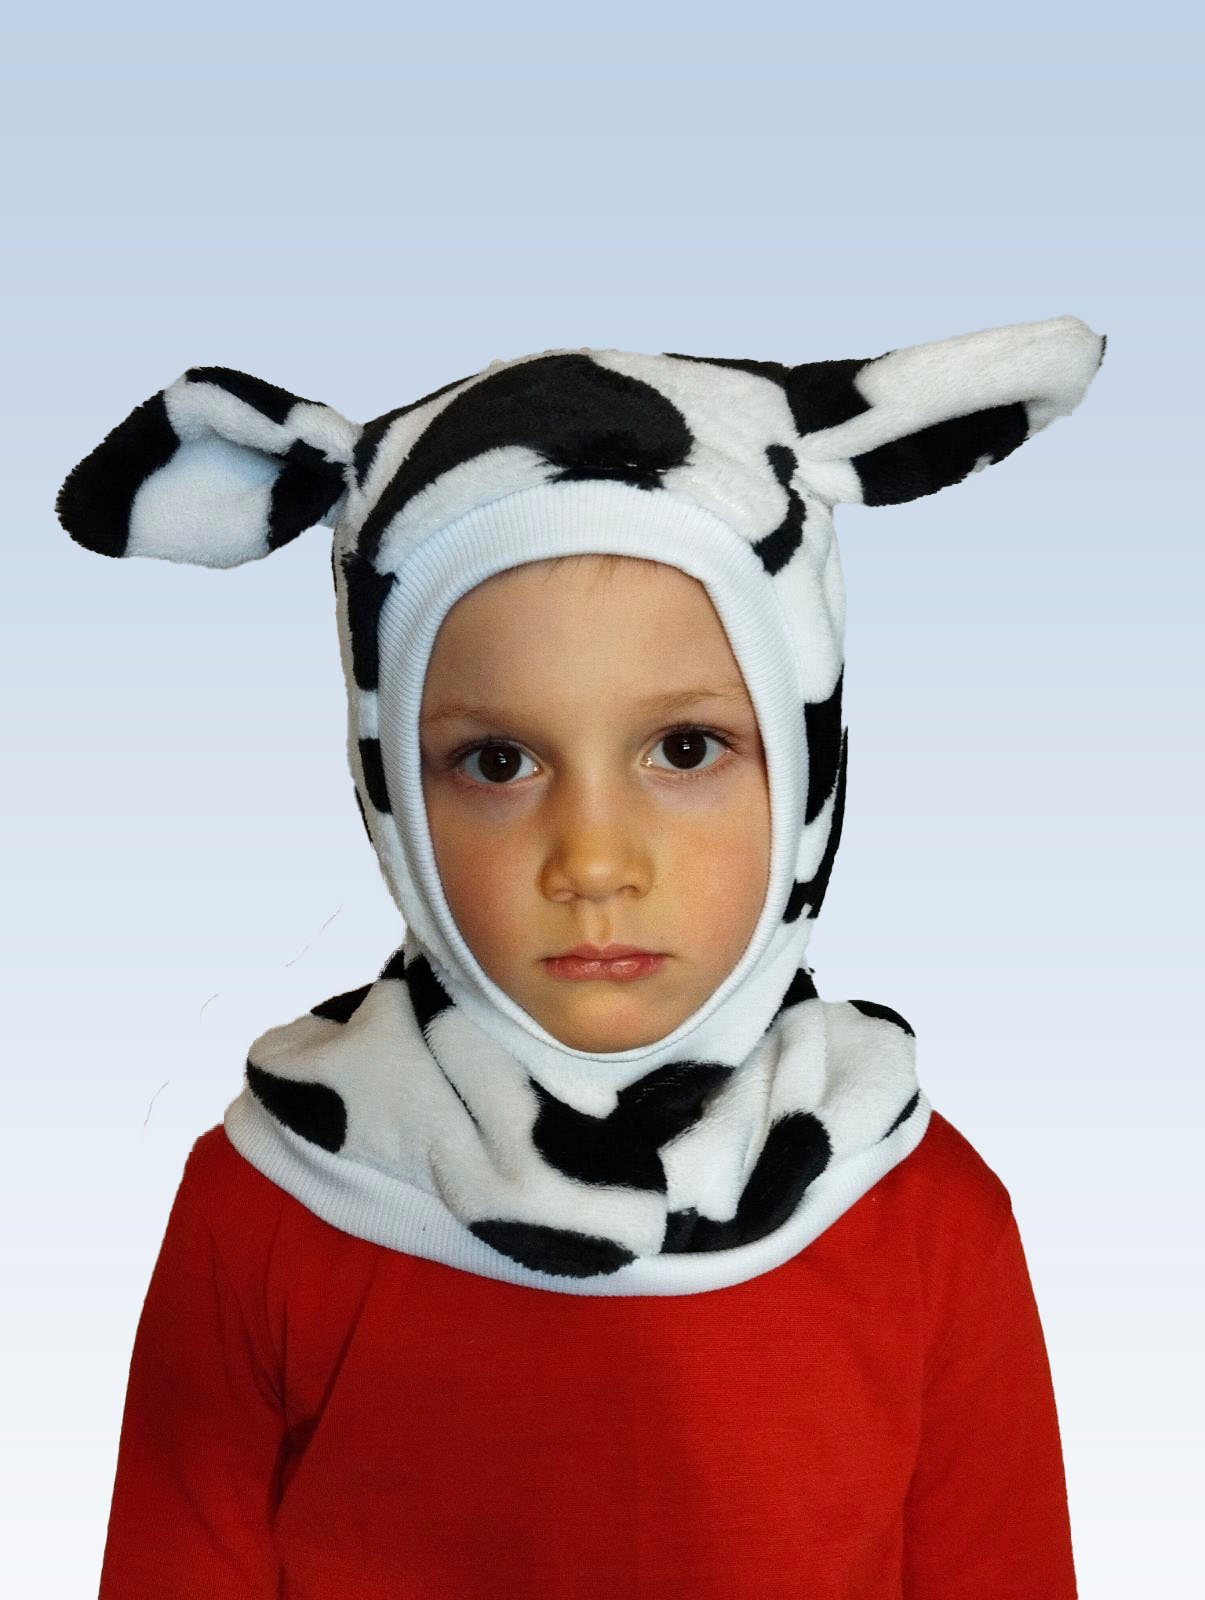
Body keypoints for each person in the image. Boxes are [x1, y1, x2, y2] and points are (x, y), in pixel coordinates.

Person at [56, 315, 1106, 1597]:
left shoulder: (925, 1219)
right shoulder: (268, 1206)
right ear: (391, 790)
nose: (593, 860)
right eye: (498, 761)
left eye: (683, 749)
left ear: (805, 763)